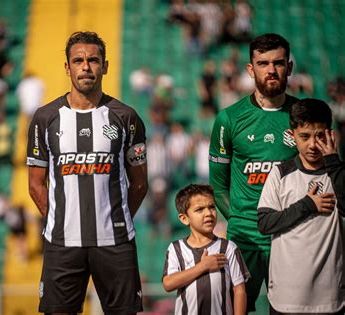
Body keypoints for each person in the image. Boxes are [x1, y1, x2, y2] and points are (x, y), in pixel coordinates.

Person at [27, 31, 148, 314]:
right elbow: (36, 185)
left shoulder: (126, 117)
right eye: (78, 60)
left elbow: (139, 184)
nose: (86, 66)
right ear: (67, 67)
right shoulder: (44, 119)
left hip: (116, 242)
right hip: (62, 243)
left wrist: (116, 220)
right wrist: (62, 219)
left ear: (105, 66)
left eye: (93, 60)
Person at [208, 33, 298, 313]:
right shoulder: (229, 119)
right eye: (262, 63)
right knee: (236, 310)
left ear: (289, 67)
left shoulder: (303, 116)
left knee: (289, 310)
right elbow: (218, 186)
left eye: (278, 63)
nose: (271, 70)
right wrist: (239, 219)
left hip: (291, 235)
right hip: (245, 238)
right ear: (250, 69)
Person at [257, 99, 344, 314]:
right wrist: (307, 205)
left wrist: (333, 161)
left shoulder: (339, 174)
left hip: (331, 300)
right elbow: (265, 223)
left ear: (330, 135)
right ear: (292, 135)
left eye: (320, 136)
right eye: (305, 136)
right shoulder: (280, 173)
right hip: (286, 300)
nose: (313, 144)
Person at [163, 184, 250, 314]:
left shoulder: (228, 248)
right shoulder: (176, 248)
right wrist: (202, 266)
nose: (208, 213)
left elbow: (239, 290)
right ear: (184, 218)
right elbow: (168, 283)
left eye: (211, 207)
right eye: (199, 209)